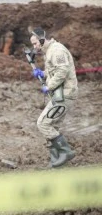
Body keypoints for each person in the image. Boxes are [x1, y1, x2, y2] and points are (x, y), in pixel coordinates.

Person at [30, 27, 78, 168]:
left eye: (35, 43)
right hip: (61, 94)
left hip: (65, 94)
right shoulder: (49, 51)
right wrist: (43, 73)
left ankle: (65, 152)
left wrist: (49, 86)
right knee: (52, 125)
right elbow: (55, 70)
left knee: (43, 123)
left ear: (42, 40)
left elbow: (62, 71)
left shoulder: (57, 50)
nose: (34, 47)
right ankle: (56, 159)